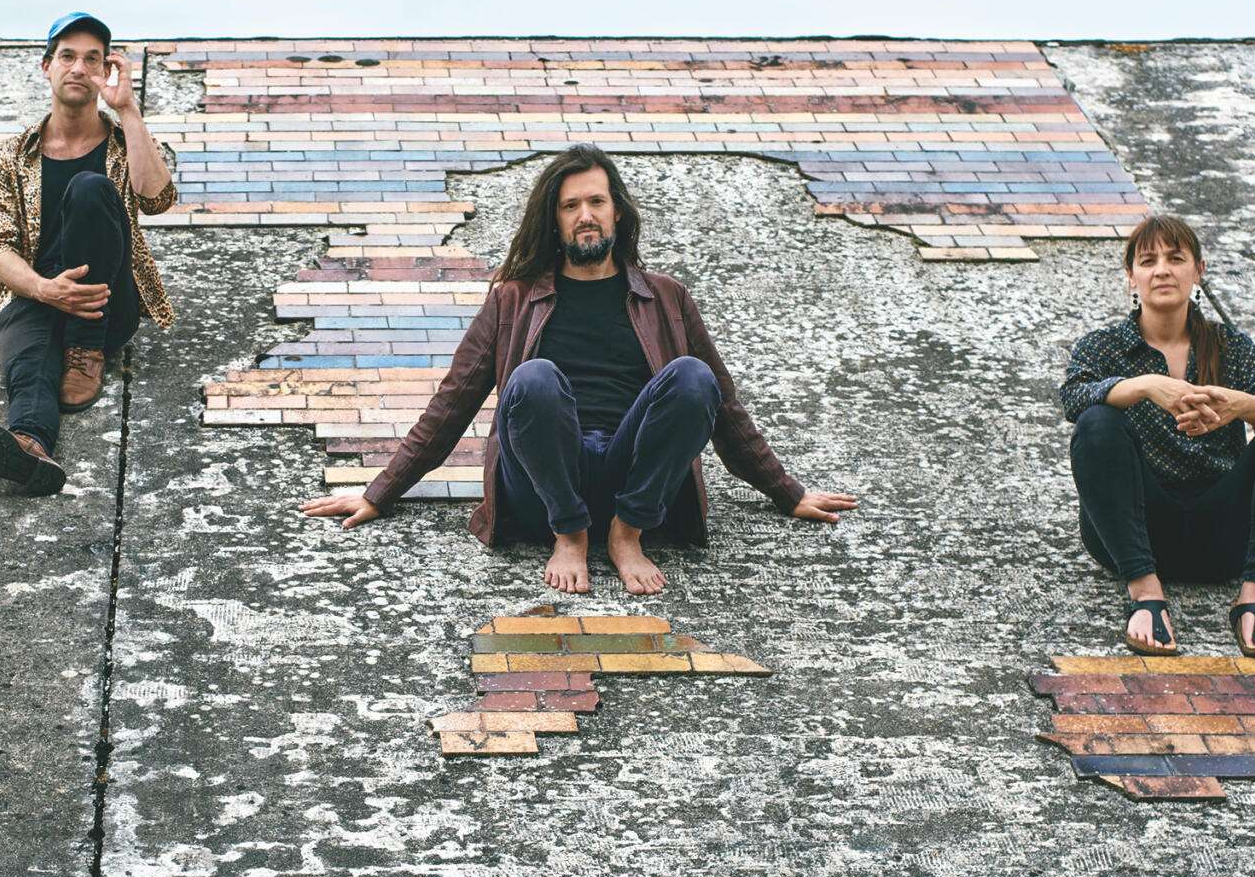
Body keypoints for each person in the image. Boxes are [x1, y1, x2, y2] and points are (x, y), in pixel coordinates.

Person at [299, 145, 857, 593]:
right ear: (555, 220)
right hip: (541, 484)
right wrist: (379, 493)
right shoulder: (512, 300)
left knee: (692, 376)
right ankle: (569, 533)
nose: (585, 216)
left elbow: (721, 408)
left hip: (631, 474)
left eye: (595, 201)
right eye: (570, 206)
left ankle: (625, 535)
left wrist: (787, 492)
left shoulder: (667, 298)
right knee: (534, 379)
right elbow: (453, 402)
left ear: (617, 209)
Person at [1060, 212, 1255, 656]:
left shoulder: (1230, 346)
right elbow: (1073, 399)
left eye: (1176, 258)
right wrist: (1145, 387)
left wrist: (1238, 407)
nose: (1162, 269)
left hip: (1224, 534)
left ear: (1198, 271)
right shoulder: (1102, 347)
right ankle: (1145, 593)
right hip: (1133, 526)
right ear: (1131, 277)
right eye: (1148, 261)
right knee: (1096, 421)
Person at [0, 11, 178, 495]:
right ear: (47, 67)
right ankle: (30, 447)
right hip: (35, 294)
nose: (79, 68)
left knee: (89, 188)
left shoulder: (128, 143)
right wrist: (43, 289)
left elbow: (157, 199)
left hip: (105, 300)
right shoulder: (7, 156)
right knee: (29, 361)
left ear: (105, 73)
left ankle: (84, 350)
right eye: (68, 57)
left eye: (93, 60)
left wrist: (129, 111)